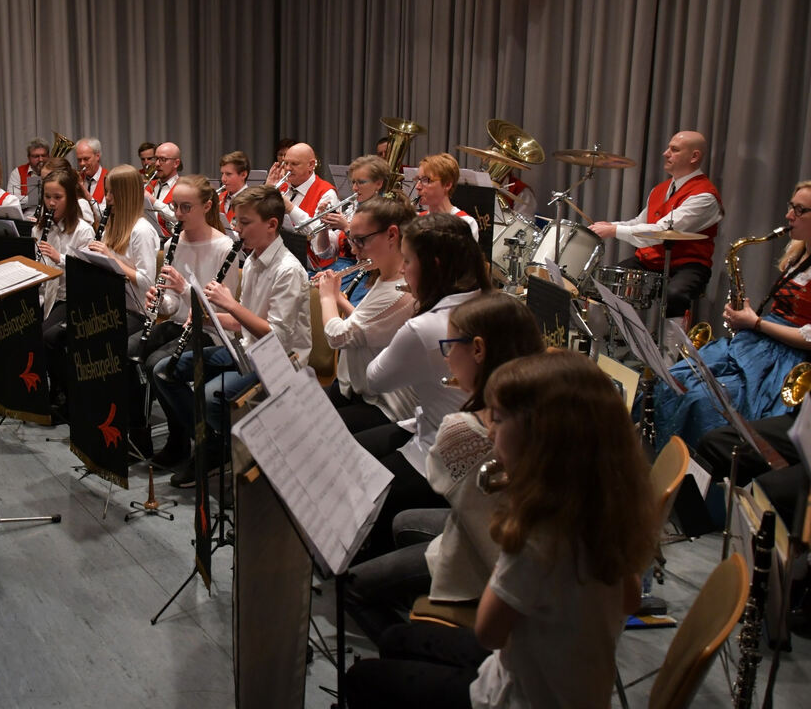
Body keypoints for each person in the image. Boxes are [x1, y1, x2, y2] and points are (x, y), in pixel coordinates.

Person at [346, 352, 657, 709]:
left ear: (540, 439)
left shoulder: (535, 535)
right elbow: (630, 600)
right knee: (398, 639)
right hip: (577, 685)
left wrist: (506, 528)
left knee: (362, 678)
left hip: (516, 696)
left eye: (498, 419)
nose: (491, 431)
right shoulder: (608, 511)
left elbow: (489, 632)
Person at [344, 293, 545, 643]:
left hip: (489, 555)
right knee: (402, 521)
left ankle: (409, 646)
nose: (448, 357)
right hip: (515, 536)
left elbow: (437, 474)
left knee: (352, 588)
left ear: (478, 350)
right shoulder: (536, 400)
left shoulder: (469, 426)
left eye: (451, 347)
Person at [153, 185, 310, 488]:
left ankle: (233, 452)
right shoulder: (252, 260)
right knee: (165, 372)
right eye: (236, 221)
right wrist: (206, 317)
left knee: (212, 396)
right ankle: (214, 443)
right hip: (247, 349)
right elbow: (243, 323)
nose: (236, 229)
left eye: (244, 222)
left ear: (271, 225)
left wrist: (230, 305)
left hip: (279, 361)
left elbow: (275, 336)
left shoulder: (288, 270)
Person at [357, 213, 491, 556]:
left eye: (408, 261)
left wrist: (406, 322)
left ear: (433, 266)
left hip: (447, 452)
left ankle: (369, 557)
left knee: (361, 484)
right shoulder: (490, 301)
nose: (403, 270)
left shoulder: (427, 326)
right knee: (358, 448)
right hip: (474, 439)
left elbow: (374, 379)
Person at [652, 182, 811, 448]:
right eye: (790, 206)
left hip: (789, 360)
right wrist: (746, 317)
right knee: (675, 378)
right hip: (763, 344)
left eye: (800, 210)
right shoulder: (798, 254)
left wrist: (756, 323)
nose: (789, 215)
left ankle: (695, 466)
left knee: (702, 401)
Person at [139, 175, 240, 465]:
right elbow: (173, 305)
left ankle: (195, 439)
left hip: (212, 330)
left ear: (207, 206)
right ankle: (159, 435)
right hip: (181, 323)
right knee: (136, 350)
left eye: (186, 207)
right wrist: (160, 302)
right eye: (175, 207)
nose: (178, 214)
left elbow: (221, 308)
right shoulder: (174, 241)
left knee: (159, 366)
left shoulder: (225, 247)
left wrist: (184, 289)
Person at [589, 130, 723, 319]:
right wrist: (609, 225)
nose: (665, 153)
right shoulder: (660, 190)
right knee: (606, 284)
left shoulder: (704, 196)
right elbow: (640, 223)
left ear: (694, 156)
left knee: (674, 295)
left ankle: (671, 338)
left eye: (674, 149)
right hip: (650, 261)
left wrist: (613, 230)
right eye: (668, 148)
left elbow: (660, 232)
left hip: (688, 265)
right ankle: (617, 334)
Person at [317, 197, 417, 433]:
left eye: (360, 241)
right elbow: (370, 327)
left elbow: (337, 337)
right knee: (301, 412)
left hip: (386, 403)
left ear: (392, 235)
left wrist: (326, 298)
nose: (353, 250)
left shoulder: (400, 290)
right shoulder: (386, 277)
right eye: (352, 240)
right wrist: (340, 298)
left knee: (317, 430)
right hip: (358, 388)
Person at [35, 165, 96, 416]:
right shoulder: (40, 228)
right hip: (48, 295)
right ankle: (47, 389)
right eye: (47, 197)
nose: (51, 203)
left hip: (75, 298)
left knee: (48, 338)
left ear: (70, 199)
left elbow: (88, 274)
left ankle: (69, 395)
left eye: (57, 197)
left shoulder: (84, 230)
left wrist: (59, 258)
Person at [311, 155, 394, 304]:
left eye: (361, 182)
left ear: (378, 183)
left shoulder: (385, 212)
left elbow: (372, 253)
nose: (355, 188)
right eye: (353, 182)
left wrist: (346, 227)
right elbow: (326, 253)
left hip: (368, 273)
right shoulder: (353, 208)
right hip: (343, 268)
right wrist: (324, 225)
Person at [86, 165, 160, 321]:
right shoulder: (111, 226)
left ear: (127, 195)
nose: (107, 198)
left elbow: (147, 283)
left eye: (113, 192)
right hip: (113, 306)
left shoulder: (142, 231)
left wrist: (111, 259)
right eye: (107, 192)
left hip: (138, 313)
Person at [267, 141, 339, 269]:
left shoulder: (326, 193)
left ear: (311, 165)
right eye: (286, 163)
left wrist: (291, 209)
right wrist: (267, 191)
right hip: (281, 260)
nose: (288, 168)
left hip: (315, 268)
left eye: (294, 164)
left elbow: (320, 240)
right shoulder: (282, 186)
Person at [414, 153, 480, 242]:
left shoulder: (465, 223)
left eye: (425, 180)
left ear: (447, 185)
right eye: (418, 179)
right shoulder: (416, 220)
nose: (417, 187)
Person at [146, 141, 182, 232]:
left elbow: (179, 218)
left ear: (176, 163)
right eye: (156, 159)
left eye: (163, 159)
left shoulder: (184, 188)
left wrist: (153, 201)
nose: (157, 164)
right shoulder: (149, 185)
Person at [218, 150, 250, 224]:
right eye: (222, 173)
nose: (223, 179)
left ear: (243, 175)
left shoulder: (252, 202)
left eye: (228, 174)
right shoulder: (219, 198)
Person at [75, 137, 109, 206]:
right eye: (79, 160)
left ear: (97, 156)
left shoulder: (108, 179)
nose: (82, 163)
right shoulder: (77, 179)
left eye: (86, 159)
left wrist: (83, 189)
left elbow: (103, 211)